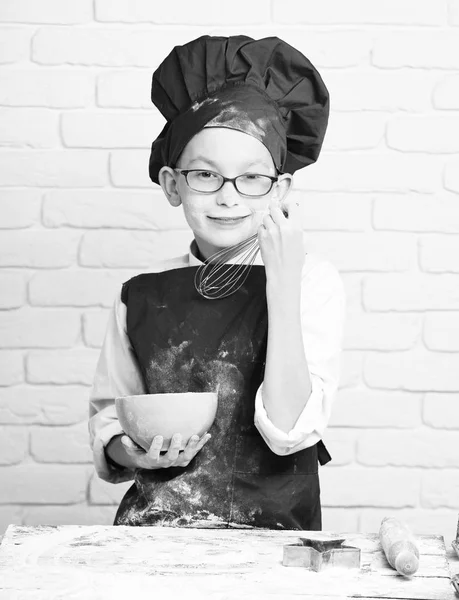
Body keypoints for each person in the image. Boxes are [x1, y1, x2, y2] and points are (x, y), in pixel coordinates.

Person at [89, 35, 346, 530]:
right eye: (205, 175)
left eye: (252, 178)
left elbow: (289, 431)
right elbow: (110, 425)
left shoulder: (311, 281)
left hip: (274, 543)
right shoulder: (141, 294)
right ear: (172, 183)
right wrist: (138, 453)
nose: (228, 197)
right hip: (155, 537)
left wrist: (283, 280)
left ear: (281, 189)